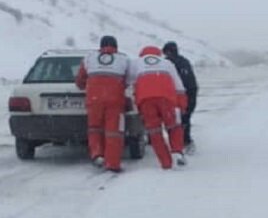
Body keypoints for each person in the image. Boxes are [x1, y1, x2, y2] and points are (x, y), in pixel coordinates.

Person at [75, 35, 135, 172]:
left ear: (100, 46)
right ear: (116, 47)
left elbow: (80, 80)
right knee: (114, 132)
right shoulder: (124, 59)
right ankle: (112, 163)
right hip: (115, 100)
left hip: (94, 99)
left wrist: (85, 85)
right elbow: (129, 80)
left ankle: (97, 154)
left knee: (94, 128)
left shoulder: (89, 57)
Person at [132, 46, 187, 169]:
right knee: (173, 126)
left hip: (145, 100)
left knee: (154, 132)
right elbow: (179, 85)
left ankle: (165, 162)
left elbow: (128, 81)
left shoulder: (136, 63)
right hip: (166, 98)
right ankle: (177, 152)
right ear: (159, 54)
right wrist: (182, 104)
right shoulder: (167, 63)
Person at [162, 41, 198, 149]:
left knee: (177, 118)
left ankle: (181, 141)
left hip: (179, 93)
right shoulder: (184, 61)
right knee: (185, 117)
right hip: (191, 91)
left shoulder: (167, 63)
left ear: (168, 52)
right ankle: (185, 140)